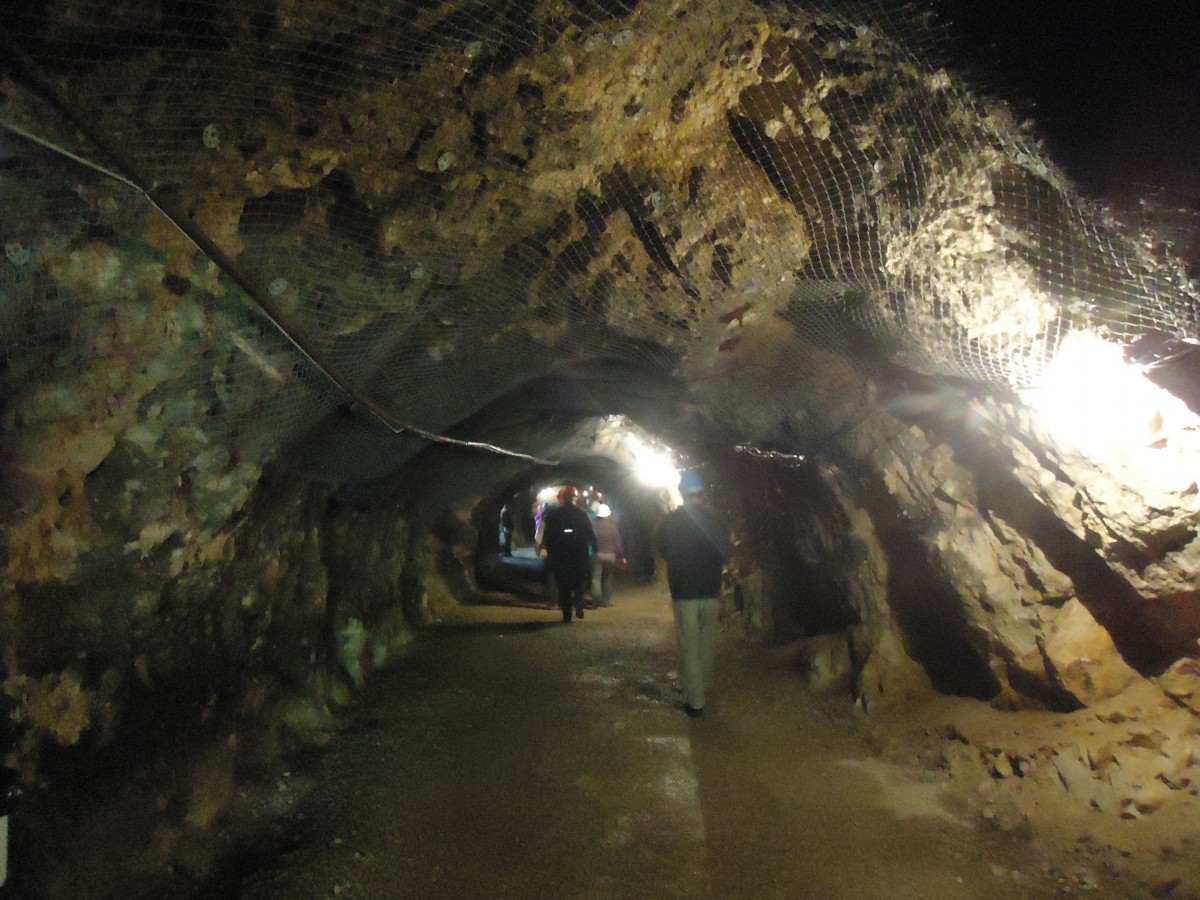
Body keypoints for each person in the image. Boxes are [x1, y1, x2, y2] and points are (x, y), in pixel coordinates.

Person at [655, 471, 733, 718]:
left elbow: (662, 549)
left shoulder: (670, 522)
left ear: (681, 493)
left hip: (684, 592)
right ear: (702, 493)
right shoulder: (716, 522)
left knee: (689, 645)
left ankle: (696, 700)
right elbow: (727, 552)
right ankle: (702, 686)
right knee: (707, 642)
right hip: (710, 591)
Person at [542, 486, 598, 622]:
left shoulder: (554, 514)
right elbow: (590, 533)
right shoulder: (582, 513)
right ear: (575, 497)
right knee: (580, 582)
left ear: (563, 498)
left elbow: (547, 534)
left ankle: (567, 615)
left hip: (560, 554)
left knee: (563, 585)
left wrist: (548, 551)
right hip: (579, 554)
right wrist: (594, 549)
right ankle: (579, 606)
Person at [590, 504, 625, 607]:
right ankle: (606, 601)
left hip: (597, 554)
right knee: (607, 578)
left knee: (596, 578)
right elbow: (618, 544)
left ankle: (596, 601)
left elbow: (589, 539)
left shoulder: (593, 525)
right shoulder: (613, 526)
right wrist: (620, 554)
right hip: (610, 556)